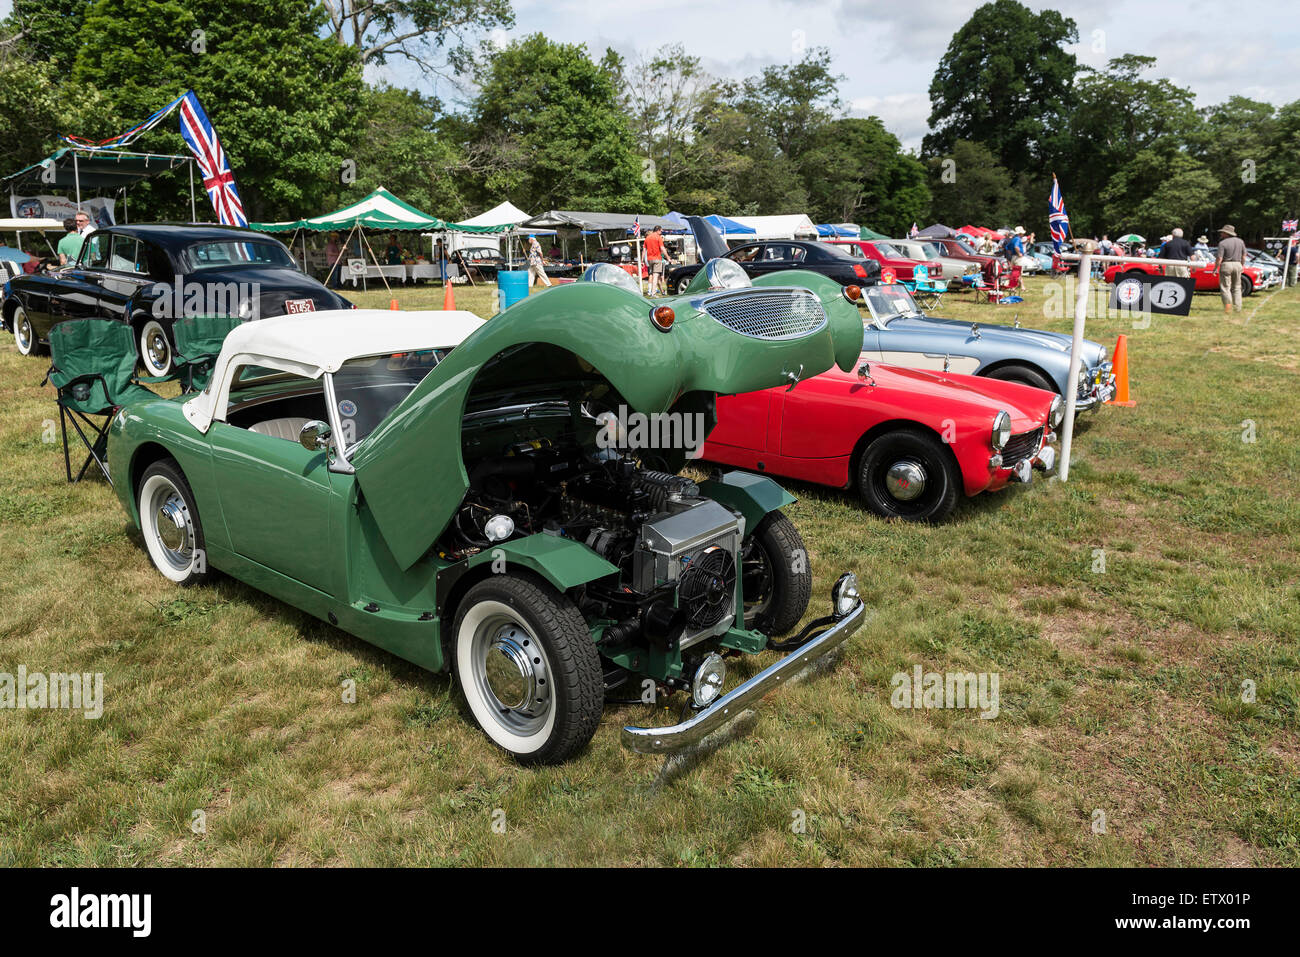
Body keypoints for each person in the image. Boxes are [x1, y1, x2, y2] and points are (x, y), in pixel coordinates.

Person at [1215, 224, 1247, 313]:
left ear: (1226, 233)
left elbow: (1219, 258)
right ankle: (1238, 308)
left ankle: (1228, 308)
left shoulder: (1222, 243)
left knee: (1225, 287)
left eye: (1222, 232)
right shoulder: (1240, 241)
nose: (1221, 233)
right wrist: (1242, 265)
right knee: (1237, 287)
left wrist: (1215, 268)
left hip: (1226, 265)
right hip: (1238, 264)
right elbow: (1244, 256)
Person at [644, 225, 667, 296]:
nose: (661, 232)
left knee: (655, 276)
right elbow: (662, 249)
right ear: (658, 230)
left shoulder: (647, 238)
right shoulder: (658, 237)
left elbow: (644, 250)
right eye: (661, 231)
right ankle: (653, 292)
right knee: (655, 276)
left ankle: (661, 291)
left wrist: (642, 260)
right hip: (657, 259)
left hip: (649, 259)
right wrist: (668, 257)